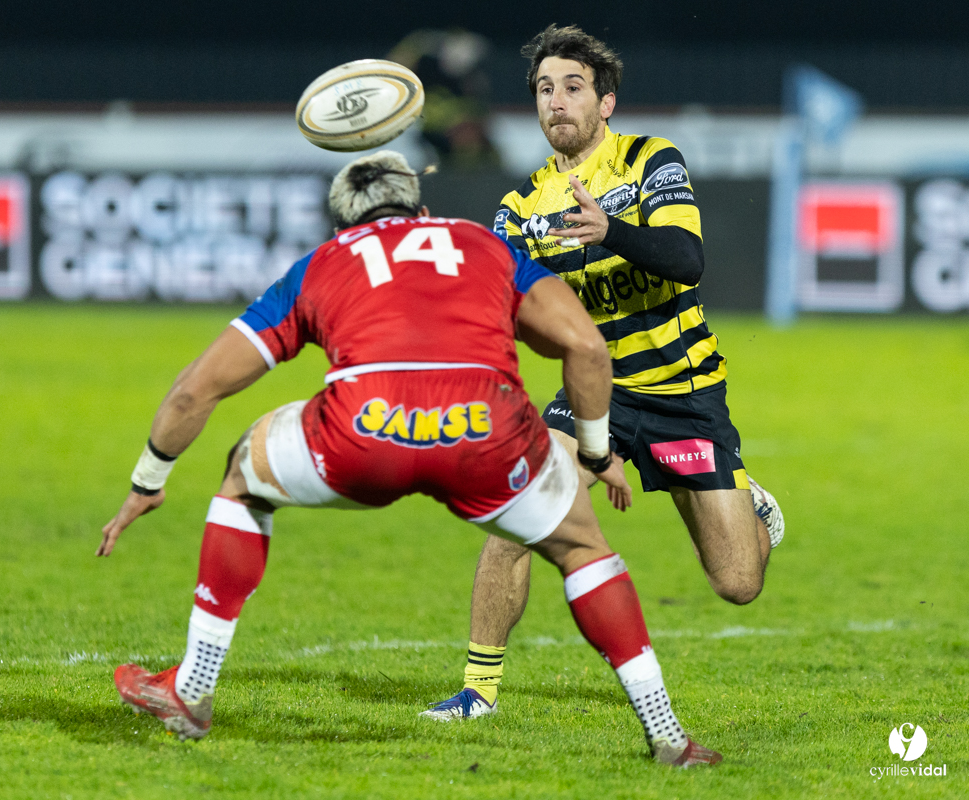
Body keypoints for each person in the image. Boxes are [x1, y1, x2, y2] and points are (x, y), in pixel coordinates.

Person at [96, 150, 721, 767]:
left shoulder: (322, 263)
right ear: (421, 211)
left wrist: (149, 481)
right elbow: (585, 347)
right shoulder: (482, 244)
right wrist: (596, 451)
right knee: (583, 548)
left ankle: (192, 689)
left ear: (341, 225)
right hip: (487, 436)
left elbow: (195, 391)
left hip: (362, 436)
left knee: (243, 476)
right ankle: (667, 734)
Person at [423, 24, 785, 722]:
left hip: (684, 395)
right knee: (516, 514)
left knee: (737, 582)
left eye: (573, 87)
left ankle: (749, 504)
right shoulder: (520, 209)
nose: (557, 101)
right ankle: (478, 690)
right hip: (595, 397)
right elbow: (502, 312)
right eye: (544, 89)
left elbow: (687, 260)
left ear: (606, 102)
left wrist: (609, 230)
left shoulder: (650, 160)